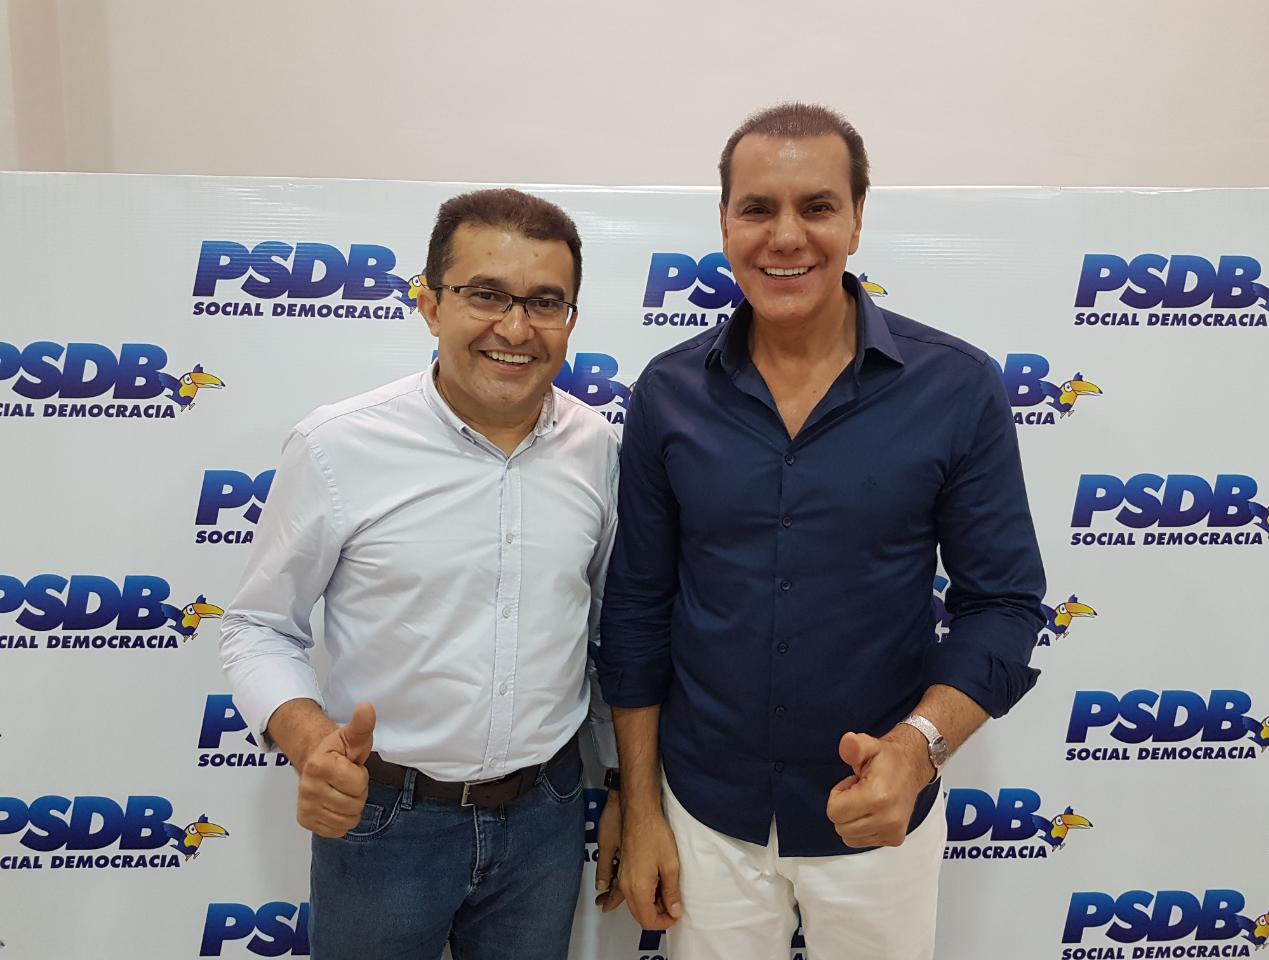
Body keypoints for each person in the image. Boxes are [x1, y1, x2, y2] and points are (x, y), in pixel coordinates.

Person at [596, 104, 1046, 960]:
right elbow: (638, 609)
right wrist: (642, 805)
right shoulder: (667, 393)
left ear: (857, 219)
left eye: (817, 207)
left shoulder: (956, 388)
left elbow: (1004, 604)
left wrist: (917, 749)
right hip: (705, 814)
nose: (786, 236)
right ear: (724, 224)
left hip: (879, 808)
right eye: (757, 209)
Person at [220, 187, 623, 960]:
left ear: (570, 320)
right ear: (431, 305)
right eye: (486, 295)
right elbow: (257, 627)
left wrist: (623, 788)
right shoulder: (337, 447)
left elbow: (608, 632)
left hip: (546, 817)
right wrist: (311, 742)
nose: (516, 328)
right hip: (384, 822)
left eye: (545, 302)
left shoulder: (597, 449)